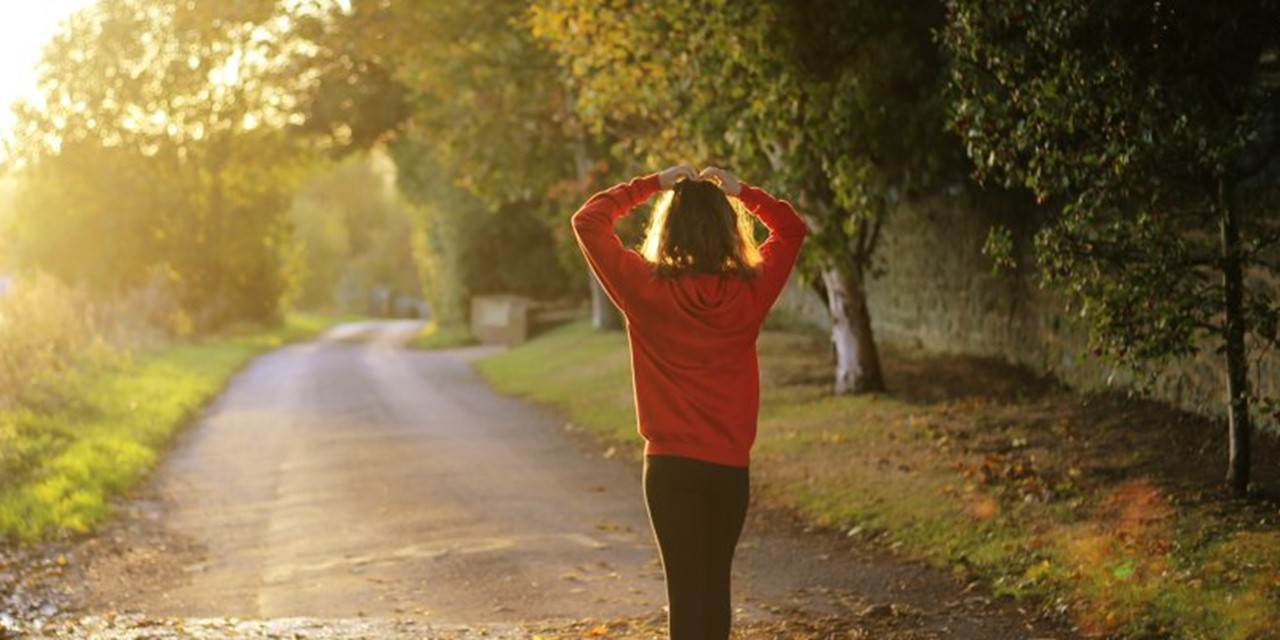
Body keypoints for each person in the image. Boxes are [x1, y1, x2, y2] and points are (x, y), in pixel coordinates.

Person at [571, 165, 807, 640]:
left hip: (670, 469)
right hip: (728, 468)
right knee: (715, 591)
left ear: (669, 228)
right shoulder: (750, 290)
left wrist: (652, 183)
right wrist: (743, 191)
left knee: (686, 595)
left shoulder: (647, 289)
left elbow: (589, 220)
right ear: (727, 228)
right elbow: (792, 228)